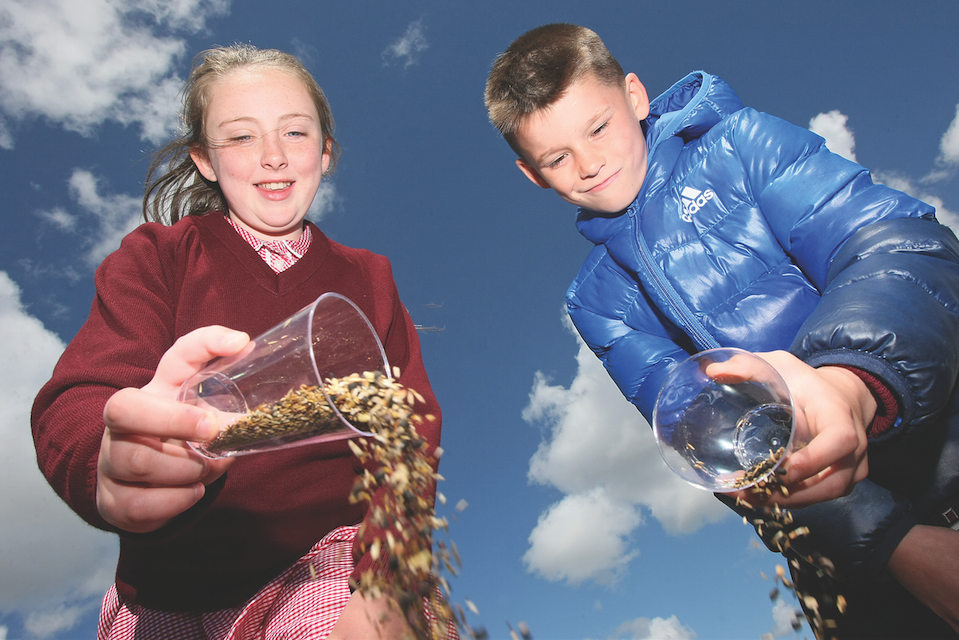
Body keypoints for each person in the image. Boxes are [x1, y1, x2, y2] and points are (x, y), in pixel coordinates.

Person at [485, 23, 959, 639]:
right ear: (533, 174)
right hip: (841, 547)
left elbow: (897, 245)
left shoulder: (741, 144)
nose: (589, 163)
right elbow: (702, 436)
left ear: (634, 96)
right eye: (556, 157)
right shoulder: (597, 303)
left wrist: (847, 382)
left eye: (597, 127)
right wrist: (892, 543)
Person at [32, 44, 453, 640]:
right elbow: (79, 393)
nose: (274, 156)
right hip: (164, 581)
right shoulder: (160, 257)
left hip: (327, 563)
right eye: (241, 138)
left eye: (295, 133)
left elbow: (410, 430)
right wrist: (103, 457)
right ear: (204, 159)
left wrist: (385, 580)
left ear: (326, 154)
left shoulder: (369, 278)